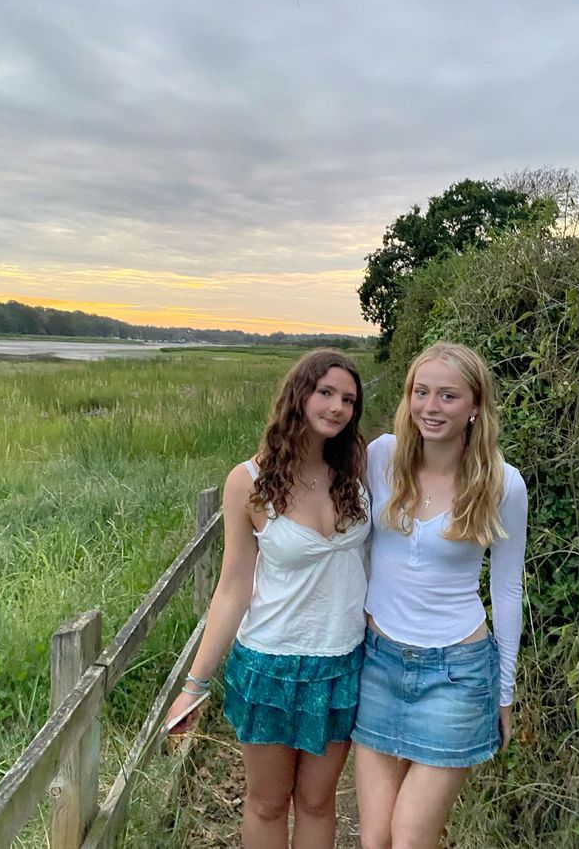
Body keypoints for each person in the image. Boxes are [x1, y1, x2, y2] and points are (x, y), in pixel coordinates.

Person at [164, 349, 370, 849]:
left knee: (318, 802)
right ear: (298, 395)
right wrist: (195, 684)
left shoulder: (358, 472)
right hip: (270, 665)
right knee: (268, 803)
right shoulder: (249, 481)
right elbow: (233, 586)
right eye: (325, 392)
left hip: (342, 662)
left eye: (348, 400)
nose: (337, 407)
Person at [352, 341, 528, 849]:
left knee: (409, 838)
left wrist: (505, 692)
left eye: (448, 395)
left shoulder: (502, 484)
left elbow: (507, 588)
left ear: (475, 406)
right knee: (375, 839)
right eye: (421, 392)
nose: (430, 407)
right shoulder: (382, 457)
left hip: (456, 674)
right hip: (379, 663)